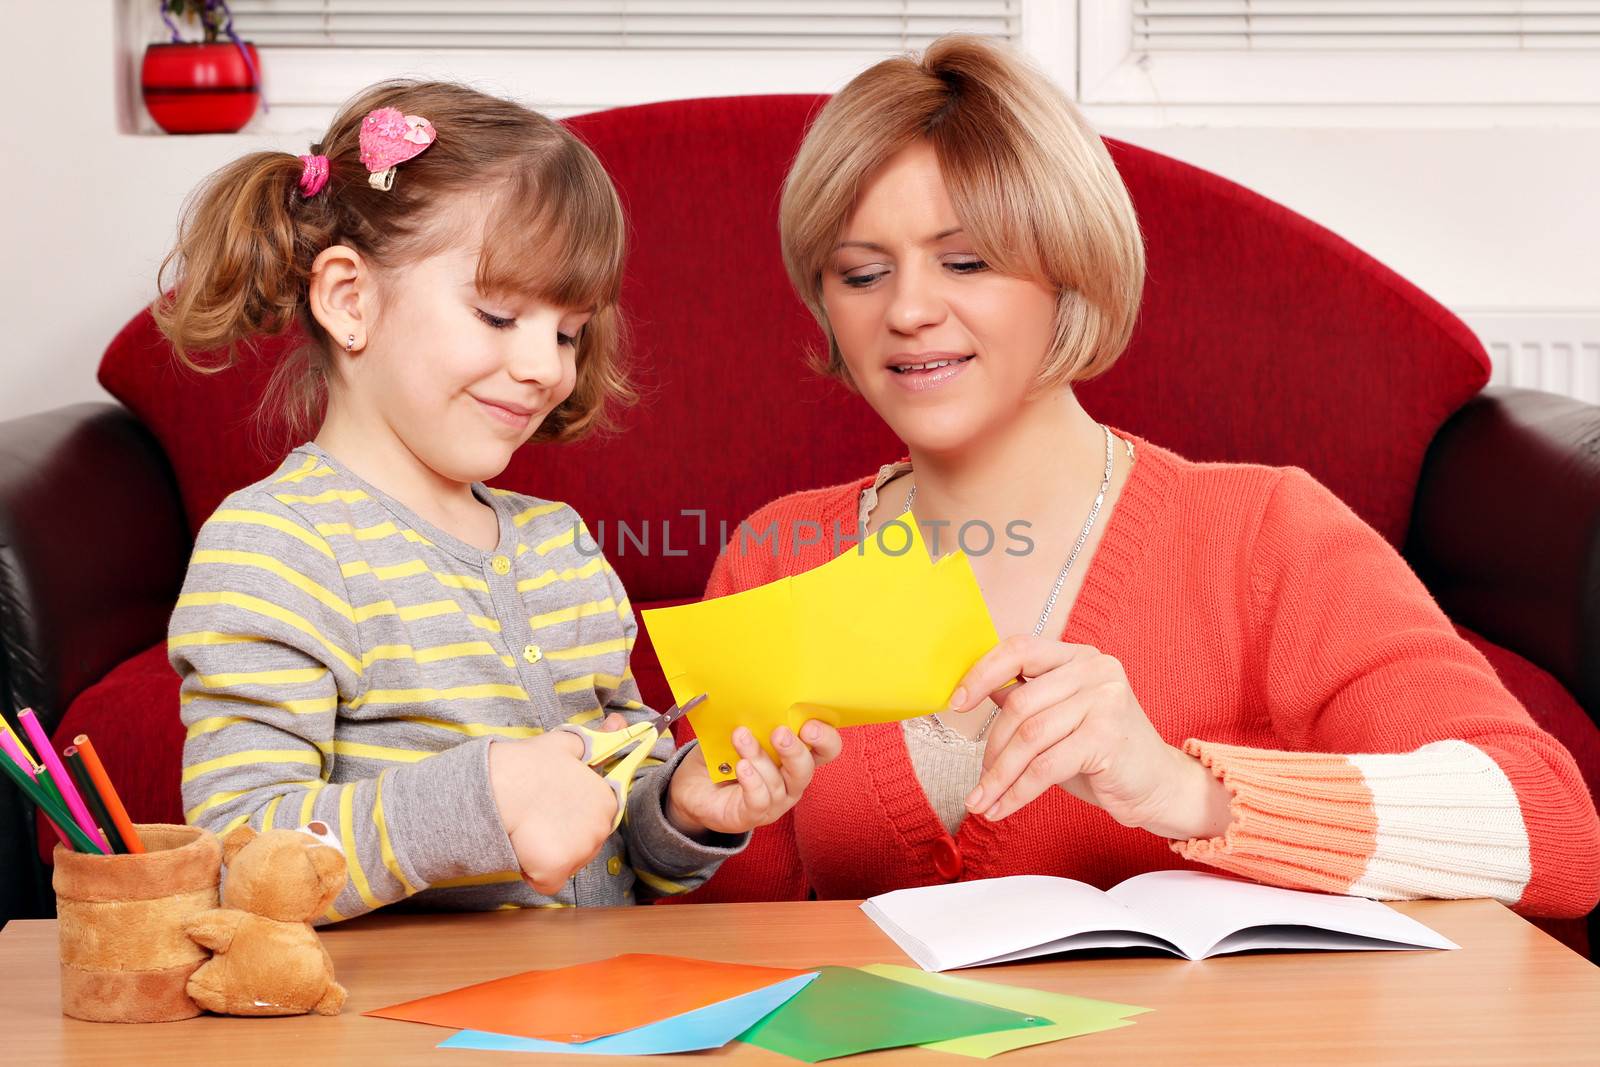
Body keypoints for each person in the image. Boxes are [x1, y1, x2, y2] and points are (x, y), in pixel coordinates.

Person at [678, 36, 1600, 918]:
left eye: (966, 262)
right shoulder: (778, 552)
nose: (909, 310)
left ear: (1069, 274)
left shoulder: (1265, 533)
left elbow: (1554, 831)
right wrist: (692, 822)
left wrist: (1184, 789)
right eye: (861, 273)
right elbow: (720, 930)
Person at [158, 80, 840, 922]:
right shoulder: (275, 546)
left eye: (566, 331)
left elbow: (613, 837)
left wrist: (680, 809)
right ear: (348, 298)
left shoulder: (560, 545)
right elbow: (241, 857)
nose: (546, 367)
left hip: (596, 1008)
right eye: (496, 313)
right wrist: (484, 797)